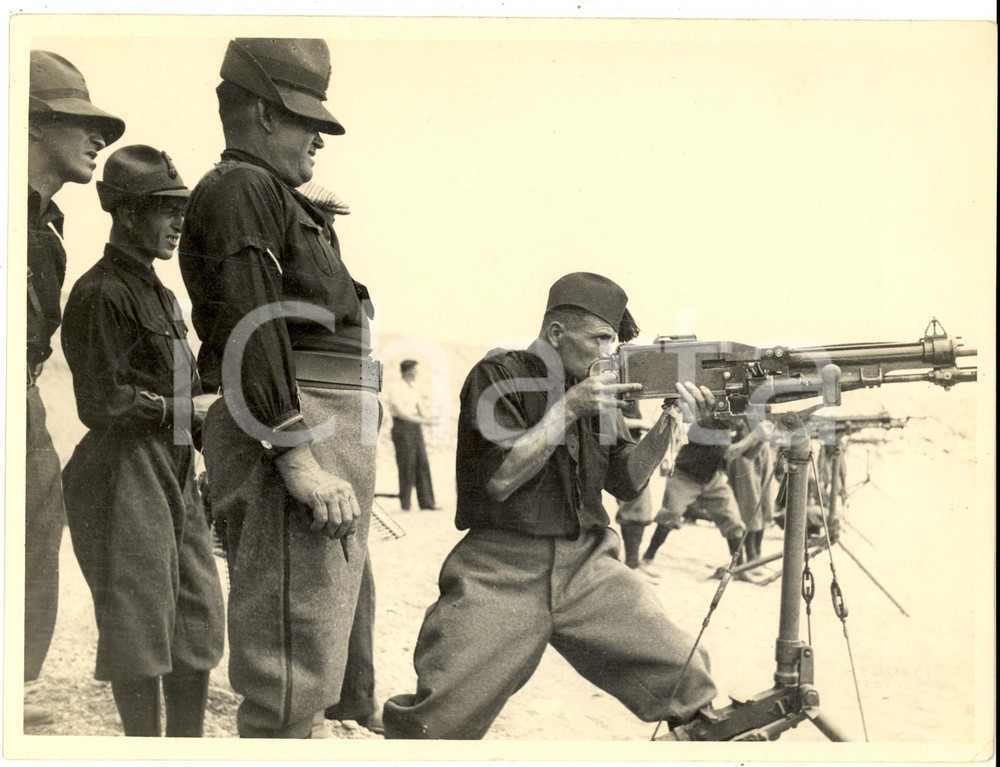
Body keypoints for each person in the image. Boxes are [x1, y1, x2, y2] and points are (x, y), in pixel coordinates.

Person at [383, 272, 722, 739]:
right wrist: (570, 407)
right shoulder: (499, 376)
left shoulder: (596, 389)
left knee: (685, 675)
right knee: (437, 722)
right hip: (503, 566)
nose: (609, 352)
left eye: (612, 342)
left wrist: (670, 418)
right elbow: (499, 480)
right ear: (556, 333)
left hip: (589, 566)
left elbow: (626, 481)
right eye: (599, 339)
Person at [179, 38, 381, 739]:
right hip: (296, 435)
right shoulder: (243, 189)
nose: (318, 140)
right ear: (263, 113)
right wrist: (295, 454)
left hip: (321, 426)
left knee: (312, 648)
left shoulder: (269, 193)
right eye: (306, 121)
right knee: (289, 666)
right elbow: (250, 323)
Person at [60, 145, 226, 737]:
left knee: (198, 615)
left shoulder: (161, 293)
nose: (178, 223)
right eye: (164, 209)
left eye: (181, 209)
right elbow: (101, 405)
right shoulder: (101, 292)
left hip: (171, 464)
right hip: (121, 470)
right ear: (126, 214)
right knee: (138, 623)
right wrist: (187, 409)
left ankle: (185, 748)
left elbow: (190, 390)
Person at [25, 50, 124, 727]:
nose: (99, 139)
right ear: (28, 124)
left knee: (36, 526)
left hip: (22, 389)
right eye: (79, 122)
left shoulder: (47, 220)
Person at [297, 181, 384, 736]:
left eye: (330, 225)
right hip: (315, 436)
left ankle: (353, 698)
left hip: (352, 439)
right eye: (317, 225)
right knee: (319, 579)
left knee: (357, 579)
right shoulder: (297, 288)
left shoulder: (342, 286)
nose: (327, 233)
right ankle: (314, 707)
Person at [639, 432, 747, 578]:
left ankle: (739, 568)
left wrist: (759, 435)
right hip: (684, 476)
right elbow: (730, 452)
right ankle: (648, 558)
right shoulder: (711, 418)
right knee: (670, 516)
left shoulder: (737, 423)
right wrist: (756, 434)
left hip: (711, 478)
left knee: (733, 520)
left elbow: (748, 453)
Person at [386, 360, 438, 511]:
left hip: (415, 427)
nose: (417, 373)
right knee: (406, 463)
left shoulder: (414, 388)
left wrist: (429, 419)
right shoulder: (396, 387)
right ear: (408, 371)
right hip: (402, 427)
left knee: (422, 462)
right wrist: (422, 420)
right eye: (415, 370)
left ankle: (427, 503)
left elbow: (419, 408)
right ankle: (406, 504)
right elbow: (400, 411)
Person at [725, 420, 775, 563]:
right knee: (749, 504)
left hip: (761, 446)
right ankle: (751, 555)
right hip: (743, 451)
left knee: (765, 503)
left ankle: (757, 554)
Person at [614, 399, 656, 569]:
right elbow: (605, 417)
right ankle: (632, 565)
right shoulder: (613, 375)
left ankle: (633, 563)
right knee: (637, 507)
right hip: (619, 448)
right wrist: (644, 423)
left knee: (638, 508)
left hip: (629, 445)